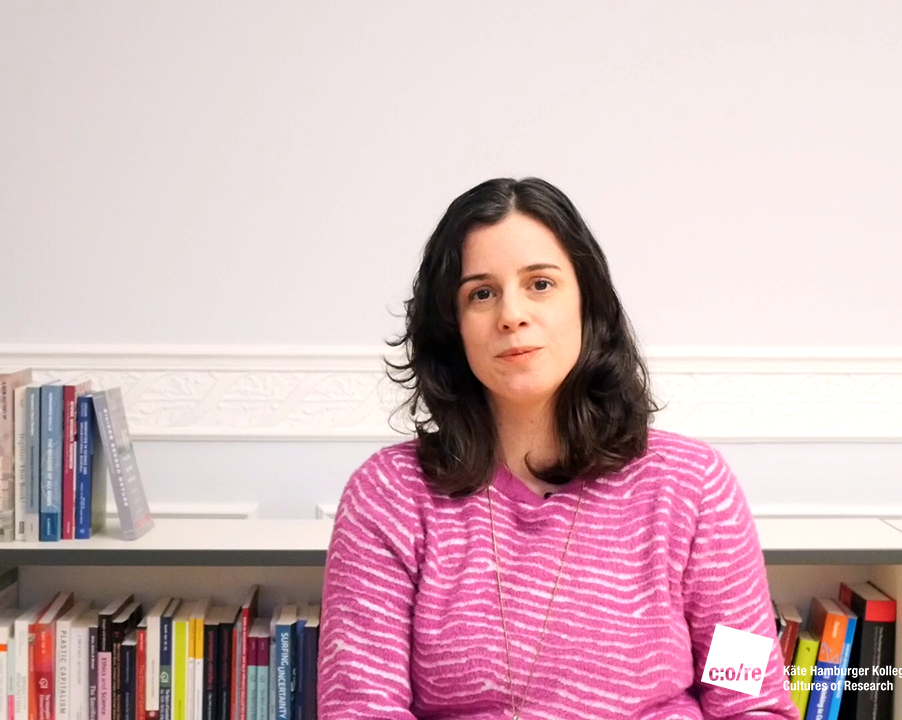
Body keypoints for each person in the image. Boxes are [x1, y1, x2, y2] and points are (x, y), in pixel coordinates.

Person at [318, 177, 798, 720]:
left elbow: (752, 700)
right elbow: (360, 709)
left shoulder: (694, 485)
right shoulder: (389, 494)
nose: (511, 315)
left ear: (586, 301)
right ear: (453, 328)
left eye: (540, 284)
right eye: (481, 293)